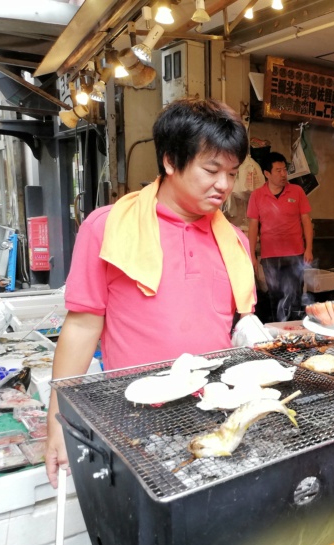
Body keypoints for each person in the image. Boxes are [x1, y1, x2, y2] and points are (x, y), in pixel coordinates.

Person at [46, 98, 272, 489]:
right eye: (211, 169)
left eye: (232, 173)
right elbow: (82, 329)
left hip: (215, 412)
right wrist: (57, 423)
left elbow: (235, 330)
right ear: (170, 161)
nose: (224, 185)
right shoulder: (109, 228)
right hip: (134, 419)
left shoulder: (234, 241)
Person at [247, 152, 314, 322]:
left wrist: (309, 249)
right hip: (270, 257)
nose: (283, 174)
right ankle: (278, 336)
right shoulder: (257, 195)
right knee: (274, 297)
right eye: (278, 170)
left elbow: (306, 221)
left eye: (284, 170)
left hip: (295, 254)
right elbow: (253, 226)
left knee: (296, 296)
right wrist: (252, 255)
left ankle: (296, 333)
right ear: (267, 173)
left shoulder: (297, 191)